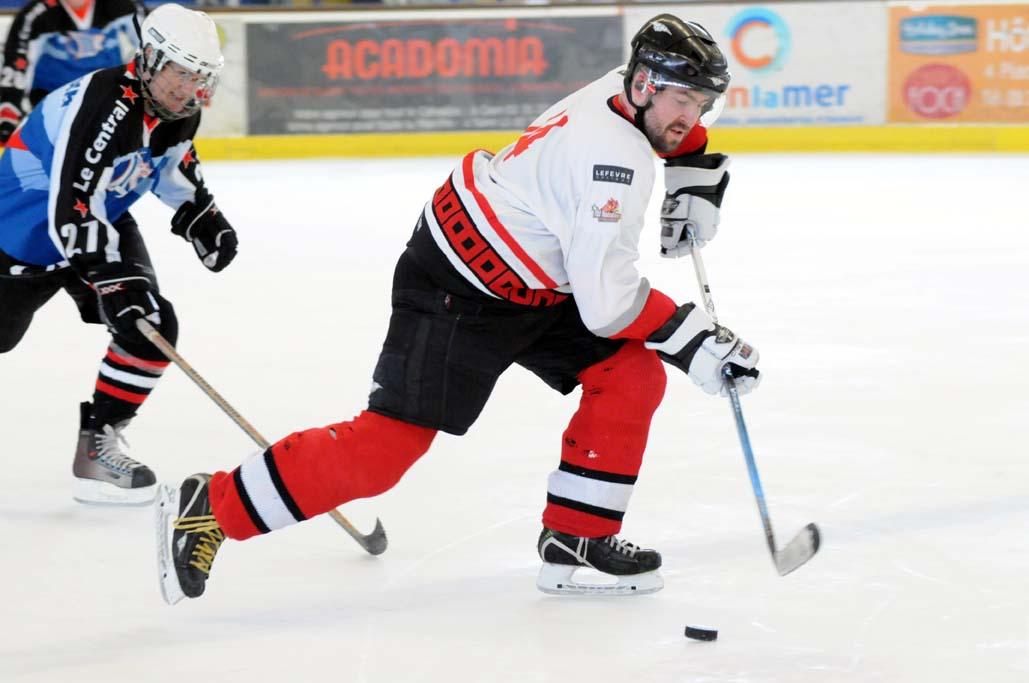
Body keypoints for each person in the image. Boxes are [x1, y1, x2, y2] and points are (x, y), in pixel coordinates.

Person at [157, 14, 760, 603]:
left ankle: (578, 534)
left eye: (701, 103)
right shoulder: (616, 164)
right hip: (459, 288)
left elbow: (672, 140)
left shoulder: (621, 88)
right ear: (646, 84)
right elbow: (608, 304)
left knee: (628, 372)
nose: (691, 116)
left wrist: (693, 172)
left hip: (535, 278)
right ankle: (213, 506)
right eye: (683, 101)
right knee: (385, 451)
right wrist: (694, 340)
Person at [0, 4, 238, 505]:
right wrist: (110, 278)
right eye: (180, 72)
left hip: (95, 221)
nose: (188, 88)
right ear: (150, 59)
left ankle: (97, 448)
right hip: (21, 234)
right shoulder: (102, 105)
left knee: (150, 324)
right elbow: (70, 204)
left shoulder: (176, 110)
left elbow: (172, 167)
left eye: (199, 76)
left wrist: (200, 213)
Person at [0, 0, 147, 145]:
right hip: (54, 103)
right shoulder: (36, 14)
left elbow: (150, 48)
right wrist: (10, 112)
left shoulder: (124, 5)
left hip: (108, 99)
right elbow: (17, 65)